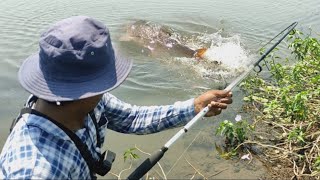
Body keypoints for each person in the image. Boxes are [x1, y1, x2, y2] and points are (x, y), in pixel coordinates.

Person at [0, 16, 232, 179]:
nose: (107, 86)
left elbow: (131, 118)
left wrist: (194, 106)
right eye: (105, 79)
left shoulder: (82, 103)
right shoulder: (34, 170)